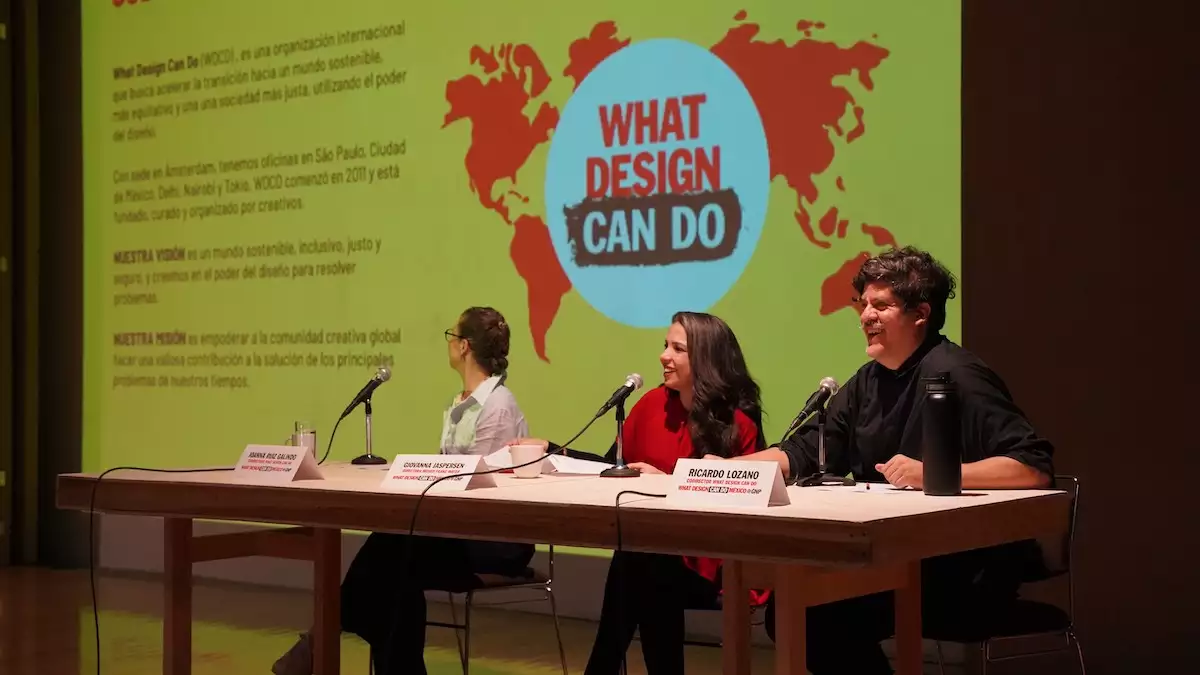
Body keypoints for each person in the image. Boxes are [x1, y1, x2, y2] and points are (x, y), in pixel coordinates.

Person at [733, 246, 1054, 674]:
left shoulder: (959, 374)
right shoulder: (867, 381)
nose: (865, 316)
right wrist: (726, 469)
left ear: (920, 313)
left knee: (817, 615)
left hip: (958, 569)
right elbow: (807, 451)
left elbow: (1032, 467)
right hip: (890, 559)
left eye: (880, 305)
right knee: (794, 609)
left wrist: (935, 474)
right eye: (863, 304)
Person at [272, 306, 532, 675]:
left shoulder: (498, 406)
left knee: (390, 554)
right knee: (394, 573)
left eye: (451, 335)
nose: (448, 343)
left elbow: (478, 484)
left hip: (494, 536)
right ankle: (334, 648)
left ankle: (316, 642)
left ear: (463, 346)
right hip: (453, 530)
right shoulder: (458, 404)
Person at [510, 311, 767, 675]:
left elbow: (742, 500)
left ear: (706, 358)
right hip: (656, 558)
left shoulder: (737, 425)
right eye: (665, 345)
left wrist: (667, 482)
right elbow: (611, 465)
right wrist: (553, 448)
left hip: (714, 564)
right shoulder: (651, 405)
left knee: (642, 566)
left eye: (678, 348)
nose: (664, 356)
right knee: (643, 565)